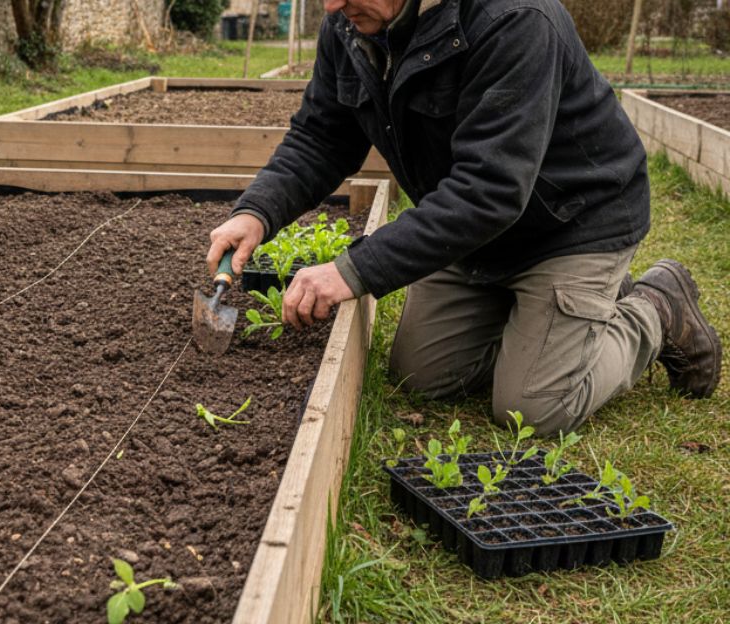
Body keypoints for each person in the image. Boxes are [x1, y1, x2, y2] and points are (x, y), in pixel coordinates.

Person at [206, 0, 722, 435]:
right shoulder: (349, 24)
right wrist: (257, 211)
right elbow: (321, 137)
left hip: (572, 222)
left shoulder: (515, 19)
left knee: (532, 409)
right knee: (422, 377)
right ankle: (553, 318)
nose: (331, 6)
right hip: (473, 232)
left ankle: (655, 308)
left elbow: (490, 188)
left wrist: (351, 271)